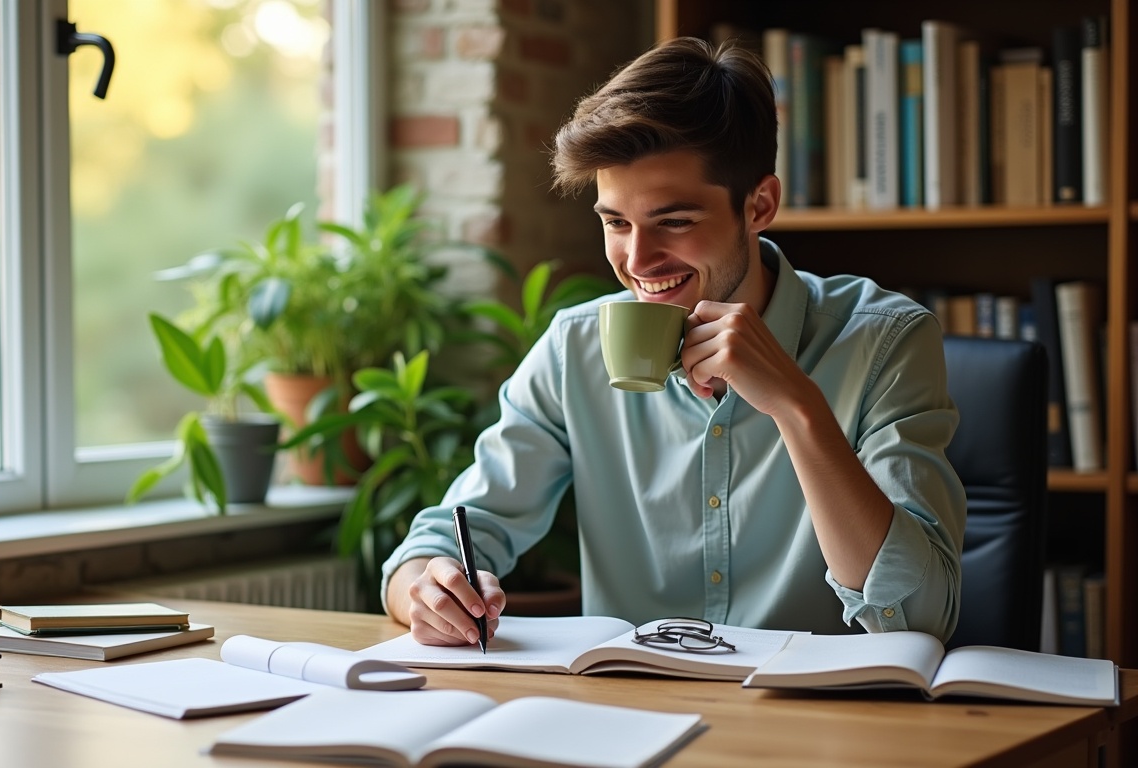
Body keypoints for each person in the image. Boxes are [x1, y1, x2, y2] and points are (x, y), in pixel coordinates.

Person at [381, 37, 966, 648]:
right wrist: (427, 588)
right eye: (615, 222)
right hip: (631, 719)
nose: (637, 260)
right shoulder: (572, 350)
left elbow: (919, 616)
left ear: (759, 205)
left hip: (821, 723)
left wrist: (797, 408)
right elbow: (437, 547)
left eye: (675, 221)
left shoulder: (885, 340)